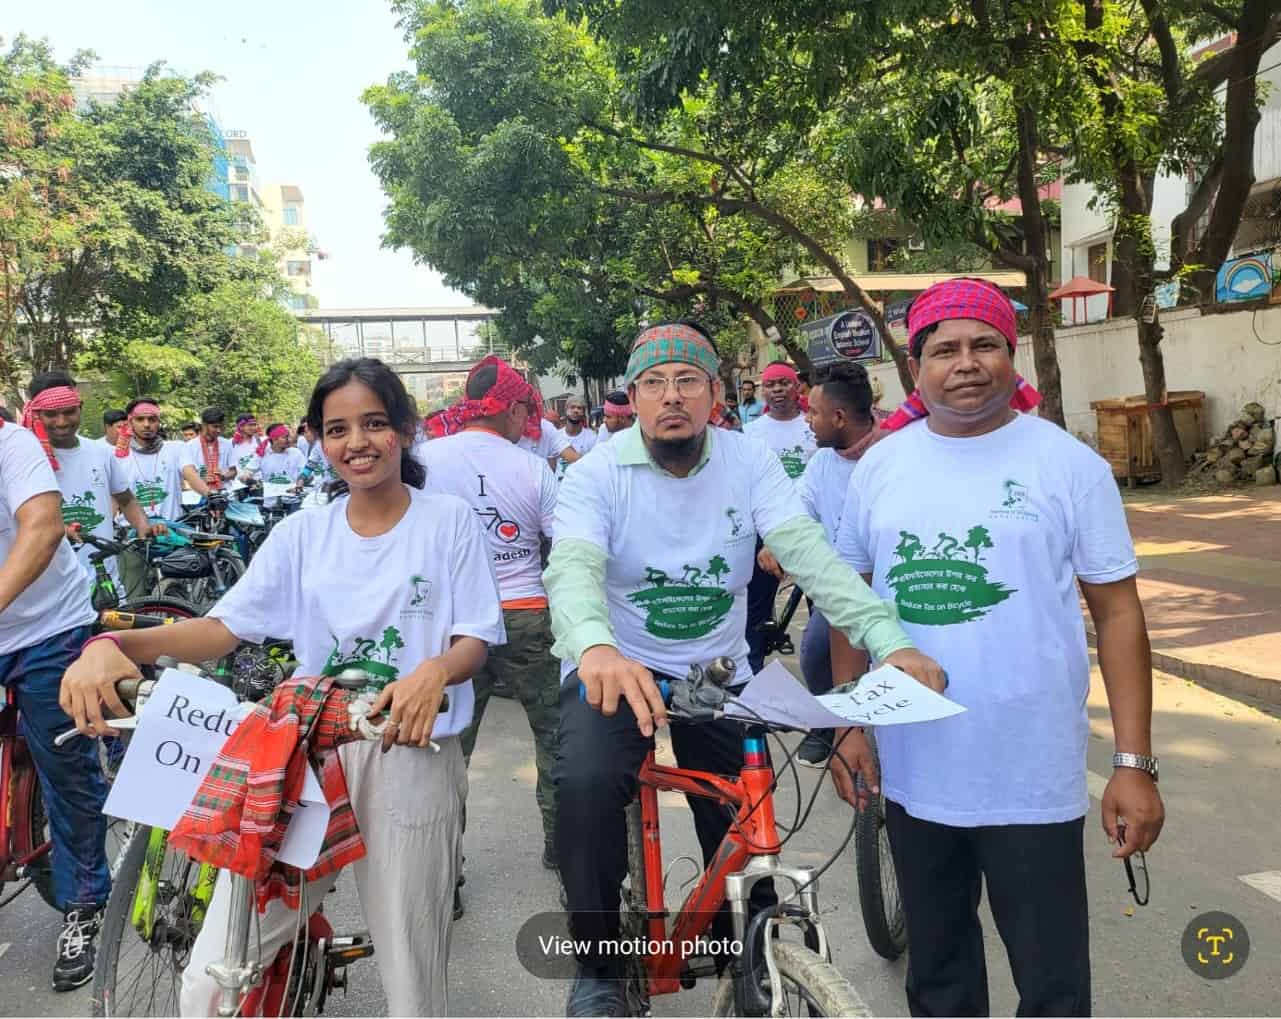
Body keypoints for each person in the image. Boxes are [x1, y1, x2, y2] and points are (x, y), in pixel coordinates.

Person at [60, 358, 505, 1016]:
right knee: (217, 973)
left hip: (409, 754)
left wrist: (433, 670)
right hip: (301, 758)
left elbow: (473, 635)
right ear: (318, 440)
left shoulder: (448, 522)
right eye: (338, 428)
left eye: (374, 423)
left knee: (413, 980)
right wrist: (113, 643)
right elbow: (220, 629)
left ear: (404, 430)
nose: (357, 441)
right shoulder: (303, 533)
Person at [545, 320, 945, 1017]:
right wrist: (593, 646)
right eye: (654, 383)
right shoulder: (594, 473)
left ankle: (752, 951)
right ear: (633, 397)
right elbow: (573, 568)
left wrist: (888, 638)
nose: (671, 396)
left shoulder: (748, 460)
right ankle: (598, 965)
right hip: (617, 667)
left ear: (714, 396)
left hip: (717, 671)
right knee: (583, 787)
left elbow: (809, 553)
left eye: (688, 380)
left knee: (748, 815)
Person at [829, 278, 1165, 1017]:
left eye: (984, 344)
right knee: (939, 977)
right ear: (914, 367)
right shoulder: (880, 467)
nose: (966, 362)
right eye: (943, 348)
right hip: (915, 771)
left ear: (1010, 357)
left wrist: (1131, 764)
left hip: (1030, 772)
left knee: (1051, 985)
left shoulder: (1066, 464)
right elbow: (849, 603)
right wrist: (850, 723)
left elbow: (1116, 615)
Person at [416, 356, 563, 908]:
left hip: (454, 629)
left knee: (447, 749)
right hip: (528, 616)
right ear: (514, 407)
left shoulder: (424, 461)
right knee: (555, 738)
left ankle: (442, 877)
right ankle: (563, 850)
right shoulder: (533, 469)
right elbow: (563, 549)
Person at [0, 413, 109, 991]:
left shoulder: (11, 443)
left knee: (66, 771)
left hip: (47, 630)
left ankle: (83, 906)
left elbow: (41, 528)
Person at [751, 361, 882, 768]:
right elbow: (799, 509)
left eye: (814, 413)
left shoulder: (893, 457)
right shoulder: (822, 463)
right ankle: (832, 727)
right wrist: (776, 541)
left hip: (895, 587)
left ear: (839, 417)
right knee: (814, 653)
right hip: (839, 585)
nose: (808, 423)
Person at [24, 373, 163, 588]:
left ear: (79, 406)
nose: (62, 422)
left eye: (69, 412)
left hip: (105, 581)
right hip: (50, 591)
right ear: (35, 413)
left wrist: (144, 526)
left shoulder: (100, 452)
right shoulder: (22, 458)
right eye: (51, 414)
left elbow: (125, 499)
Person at [742, 361, 817, 673]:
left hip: (812, 528)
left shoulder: (812, 425)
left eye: (783, 384)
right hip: (763, 533)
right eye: (770, 385)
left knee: (825, 609)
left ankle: (828, 686)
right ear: (763, 391)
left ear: (796, 387)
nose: (777, 391)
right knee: (755, 610)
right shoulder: (750, 433)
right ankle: (751, 677)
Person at [247, 422, 307, 510]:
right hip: (270, 504)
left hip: (293, 502)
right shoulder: (262, 453)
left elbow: (306, 473)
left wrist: (302, 482)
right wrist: (250, 480)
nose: (289, 440)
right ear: (274, 439)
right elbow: (246, 473)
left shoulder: (296, 453)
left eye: (288, 436)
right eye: (285, 437)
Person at [180, 407, 236, 498]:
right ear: (204, 425)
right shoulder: (189, 446)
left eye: (221, 426)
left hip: (224, 494)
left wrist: (222, 477)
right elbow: (185, 475)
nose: (219, 430)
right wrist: (200, 480)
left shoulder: (227, 444)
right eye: (215, 426)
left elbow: (233, 471)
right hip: (198, 496)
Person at [556, 396, 597, 478]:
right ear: (566, 410)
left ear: (583, 413)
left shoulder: (592, 437)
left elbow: (594, 466)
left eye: (579, 408)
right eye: (572, 407)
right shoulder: (556, 436)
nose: (575, 411)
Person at [230, 414, 262, 479]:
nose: (254, 428)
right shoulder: (231, 443)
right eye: (250, 425)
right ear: (241, 427)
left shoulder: (260, 441)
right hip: (239, 484)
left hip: (259, 482)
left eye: (254, 425)